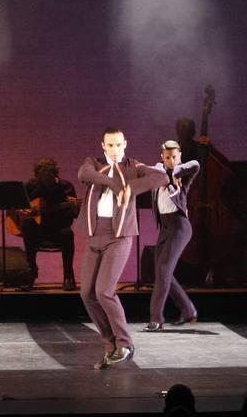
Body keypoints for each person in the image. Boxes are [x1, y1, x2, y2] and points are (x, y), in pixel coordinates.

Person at [74, 127, 168, 368]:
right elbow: (84, 174)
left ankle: (124, 343)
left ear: (125, 144)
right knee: (87, 293)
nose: (115, 150)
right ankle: (110, 344)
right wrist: (115, 185)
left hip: (119, 236)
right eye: (110, 145)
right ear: (103, 146)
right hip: (95, 236)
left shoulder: (133, 167)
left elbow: (162, 177)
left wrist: (131, 187)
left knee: (104, 291)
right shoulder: (93, 164)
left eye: (119, 145)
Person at [146, 139, 201, 331]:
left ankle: (156, 319)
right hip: (165, 228)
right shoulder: (157, 172)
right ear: (162, 157)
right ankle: (188, 310)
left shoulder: (183, 176)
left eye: (175, 157)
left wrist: (175, 171)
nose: (171, 160)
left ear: (179, 157)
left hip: (179, 226)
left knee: (163, 269)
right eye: (167, 157)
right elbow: (148, 169)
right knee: (162, 272)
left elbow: (196, 165)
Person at [17, 157, 80, 291]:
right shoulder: (31, 185)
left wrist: (74, 206)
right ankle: (31, 269)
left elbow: (75, 214)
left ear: (55, 175)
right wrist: (23, 210)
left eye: (48, 179)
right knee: (27, 223)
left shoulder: (66, 187)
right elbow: (16, 206)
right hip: (38, 231)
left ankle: (68, 275)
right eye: (42, 179)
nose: (46, 182)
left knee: (67, 233)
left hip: (59, 229)